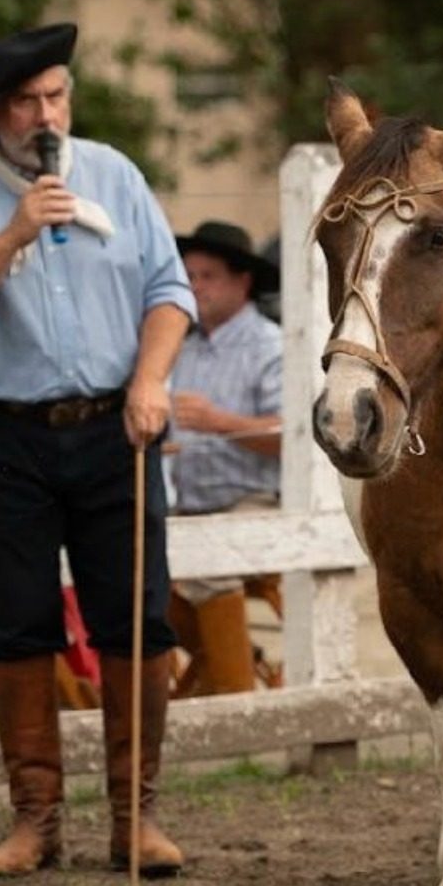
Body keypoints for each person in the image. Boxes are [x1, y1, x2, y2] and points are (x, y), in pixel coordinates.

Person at [0, 23, 196, 876]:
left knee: (136, 615)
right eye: (30, 100)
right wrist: (13, 232)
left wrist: (151, 381)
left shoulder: (114, 174)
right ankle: (35, 820)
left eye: (58, 95)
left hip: (117, 423)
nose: (48, 114)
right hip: (4, 433)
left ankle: (134, 819)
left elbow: (168, 290)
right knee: (17, 617)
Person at [168, 220, 283, 697]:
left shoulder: (272, 346)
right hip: (188, 504)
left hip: (257, 503)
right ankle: (229, 664)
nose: (195, 287)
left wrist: (220, 423)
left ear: (243, 281)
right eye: (189, 276)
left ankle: (235, 696)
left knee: (209, 561)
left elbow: (291, 435)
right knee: (129, 559)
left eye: (207, 276)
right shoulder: (181, 346)